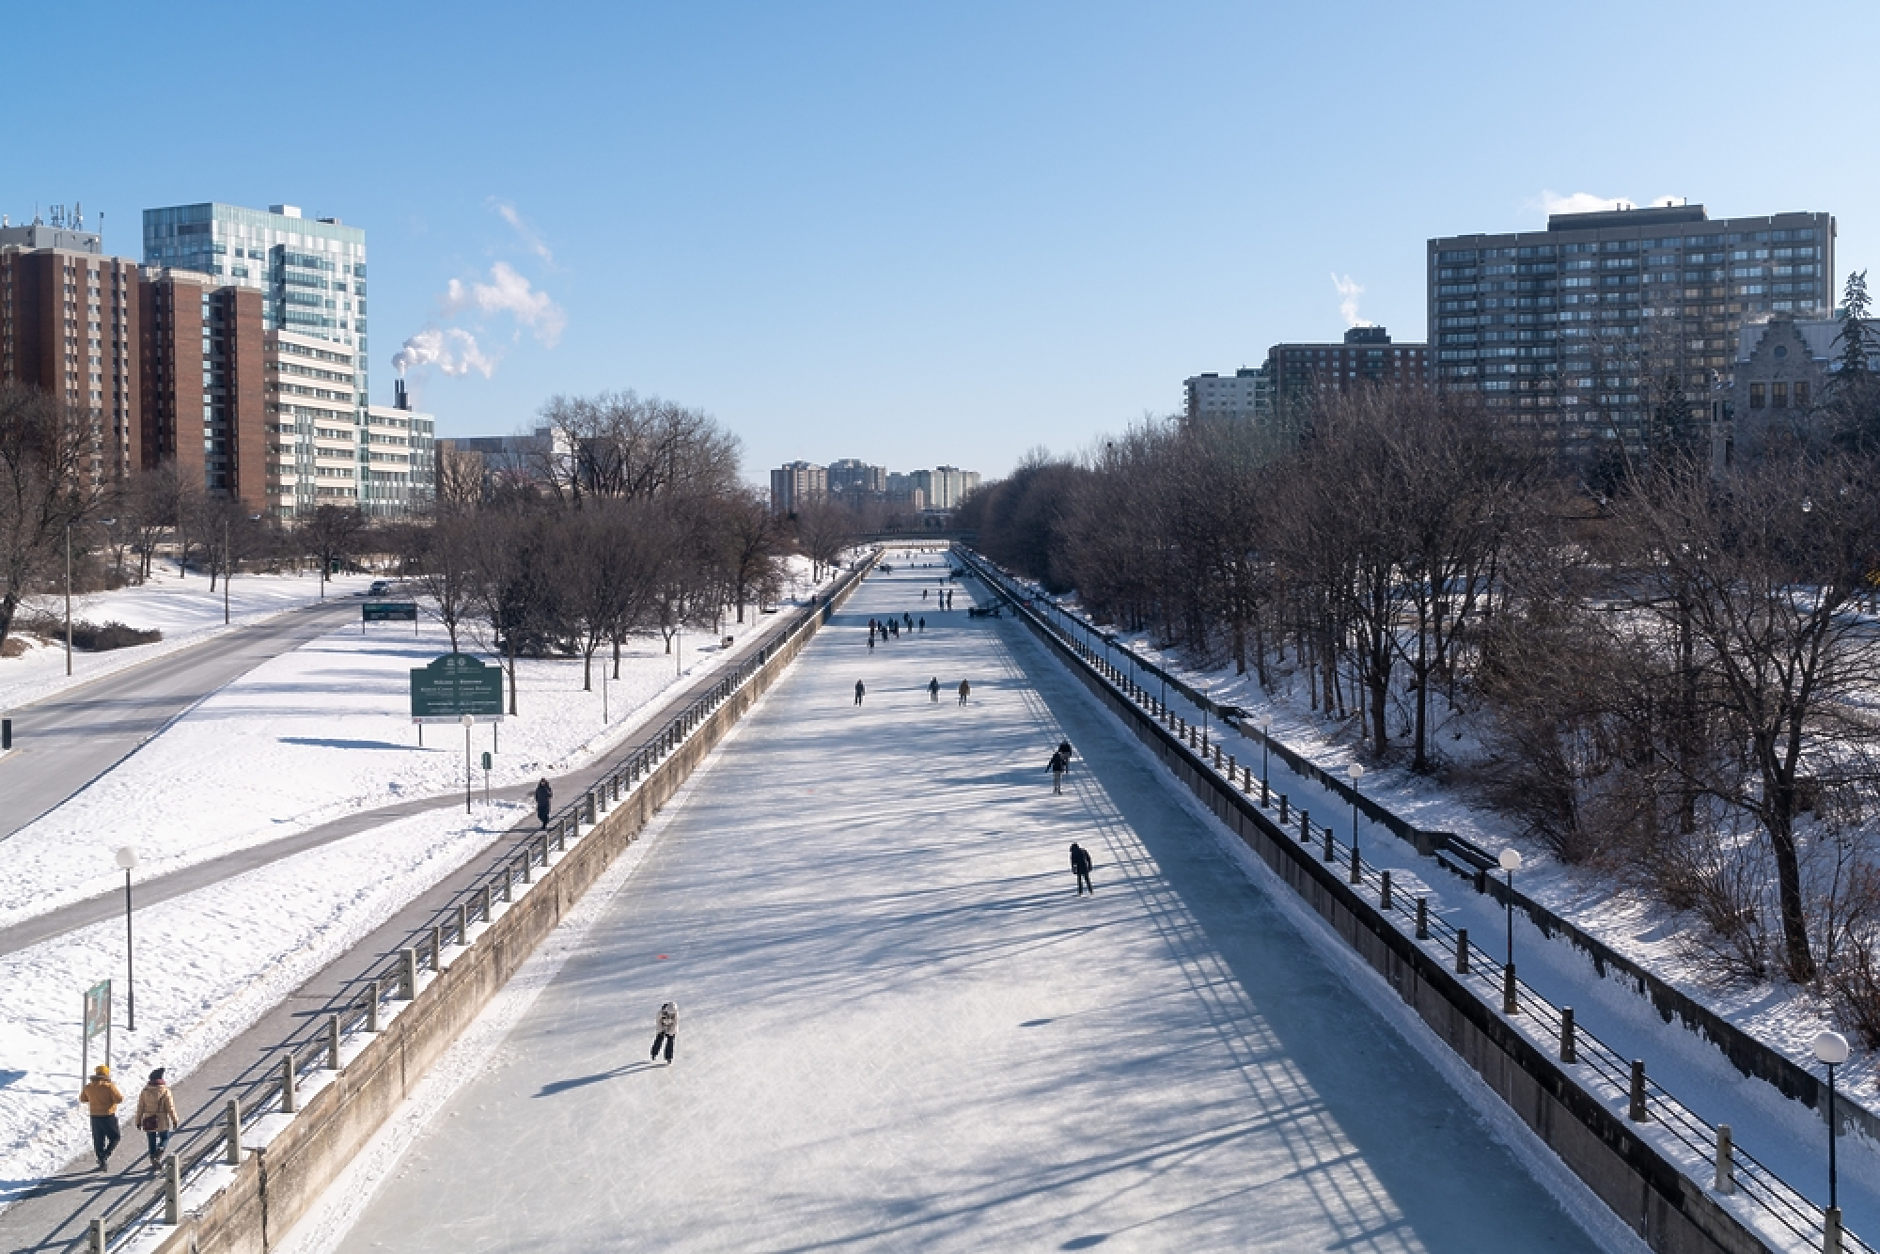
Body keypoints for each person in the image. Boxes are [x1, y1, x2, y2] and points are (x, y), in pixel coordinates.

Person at [134, 1068, 179, 1171]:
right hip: (161, 1119)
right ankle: (160, 1151)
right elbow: (170, 1107)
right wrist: (174, 1120)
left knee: (151, 1139)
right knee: (165, 1137)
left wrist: (138, 1121)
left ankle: (153, 1157)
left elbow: (140, 1107)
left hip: (148, 1119)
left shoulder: (145, 1091)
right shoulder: (165, 1091)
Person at [80, 1064, 122, 1171]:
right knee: (115, 1137)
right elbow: (119, 1099)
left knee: (98, 1140)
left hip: (94, 1116)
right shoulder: (109, 1086)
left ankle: (101, 1160)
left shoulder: (88, 1087)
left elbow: (83, 1099)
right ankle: (105, 1155)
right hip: (108, 1116)